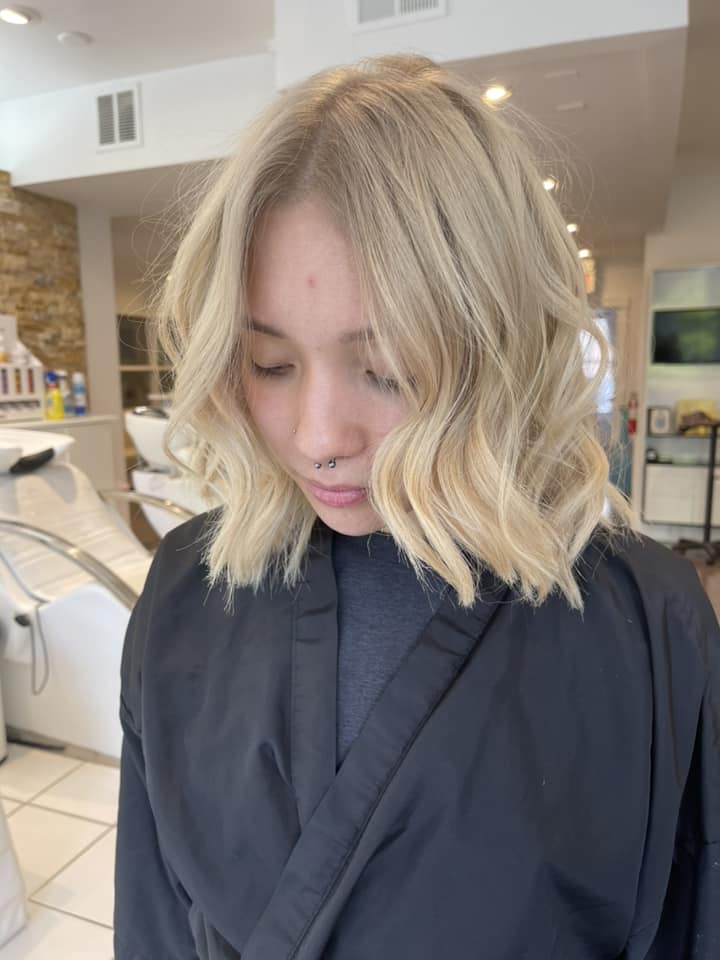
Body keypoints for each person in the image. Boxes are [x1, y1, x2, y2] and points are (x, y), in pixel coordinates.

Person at [114, 55, 719, 960]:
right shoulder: (186, 590)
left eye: (386, 367)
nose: (320, 436)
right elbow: (152, 919)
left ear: (497, 343)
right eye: (270, 364)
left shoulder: (647, 622)